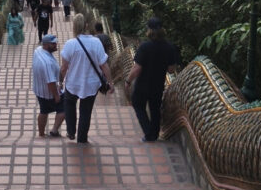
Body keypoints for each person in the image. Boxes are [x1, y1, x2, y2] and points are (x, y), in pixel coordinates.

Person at [124, 16, 180, 142]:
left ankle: (149, 133)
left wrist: (128, 81)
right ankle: (154, 133)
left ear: (149, 30)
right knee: (155, 109)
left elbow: (137, 68)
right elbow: (171, 69)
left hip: (143, 84)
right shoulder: (169, 47)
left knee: (138, 105)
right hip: (158, 84)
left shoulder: (145, 47)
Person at [60, 14, 112, 144]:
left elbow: (64, 67)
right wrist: (110, 82)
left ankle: (71, 131)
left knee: (69, 104)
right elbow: (104, 65)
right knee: (85, 111)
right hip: (91, 84)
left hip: (73, 83)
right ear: (87, 26)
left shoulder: (70, 44)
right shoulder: (96, 42)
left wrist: (60, 81)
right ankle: (82, 138)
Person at [32, 33, 65, 136]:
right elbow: (50, 82)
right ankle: (54, 130)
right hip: (49, 93)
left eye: (56, 43)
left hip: (39, 90)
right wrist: (56, 96)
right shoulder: (47, 63)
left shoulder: (38, 51)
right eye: (53, 44)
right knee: (64, 108)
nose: (56, 45)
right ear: (45, 45)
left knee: (44, 111)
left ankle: (41, 134)